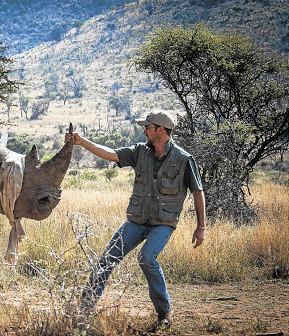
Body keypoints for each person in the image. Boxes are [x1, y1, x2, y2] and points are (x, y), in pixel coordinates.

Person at [65, 110, 205, 327]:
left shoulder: (184, 159)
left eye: (147, 127)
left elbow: (198, 192)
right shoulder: (140, 151)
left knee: (147, 258)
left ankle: (165, 312)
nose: (144, 131)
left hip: (162, 224)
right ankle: (83, 311)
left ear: (160, 130)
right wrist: (81, 142)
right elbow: (110, 154)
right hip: (137, 221)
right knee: (107, 259)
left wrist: (201, 227)